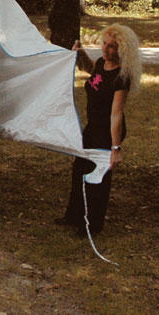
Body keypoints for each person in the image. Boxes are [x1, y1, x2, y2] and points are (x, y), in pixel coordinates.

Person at [56, 24, 142, 235]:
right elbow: (92, 72)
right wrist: (80, 53)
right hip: (92, 127)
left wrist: (115, 147)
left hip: (107, 132)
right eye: (105, 44)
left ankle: (92, 225)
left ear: (122, 49)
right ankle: (74, 216)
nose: (106, 50)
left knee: (98, 179)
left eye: (112, 47)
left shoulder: (122, 77)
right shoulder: (102, 64)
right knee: (79, 171)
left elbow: (116, 114)